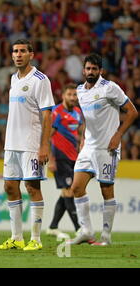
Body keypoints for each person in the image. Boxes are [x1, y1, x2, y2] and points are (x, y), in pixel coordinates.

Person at [69, 53, 138, 246]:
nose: (90, 72)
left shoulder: (110, 88)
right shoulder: (80, 90)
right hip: (89, 147)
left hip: (107, 148)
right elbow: (86, 118)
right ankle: (86, 231)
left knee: (106, 189)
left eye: (94, 69)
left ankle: (106, 237)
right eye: (88, 69)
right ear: (83, 70)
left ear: (101, 70)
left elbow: (132, 112)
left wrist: (117, 135)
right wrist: (83, 138)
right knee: (76, 187)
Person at [0, 39, 55, 251]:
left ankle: (35, 240)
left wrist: (44, 146)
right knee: (10, 186)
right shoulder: (13, 78)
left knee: (32, 187)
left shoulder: (40, 79)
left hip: (31, 143)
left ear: (31, 54)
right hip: (12, 144)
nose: (18, 55)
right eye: (15, 51)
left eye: (22, 51)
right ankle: (17, 237)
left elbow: (47, 114)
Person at [46, 84, 83, 237]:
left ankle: (53, 227)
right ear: (63, 96)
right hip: (60, 157)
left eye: (75, 95)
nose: (73, 98)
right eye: (70, 94)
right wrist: (51, 159)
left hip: (74, 157)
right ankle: (79, 229)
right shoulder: (56, 112)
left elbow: (78, 133)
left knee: (66, 192)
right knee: (69, 191)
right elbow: (47, 136)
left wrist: (81, 145)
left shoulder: (78, 112)